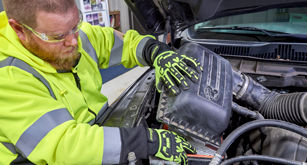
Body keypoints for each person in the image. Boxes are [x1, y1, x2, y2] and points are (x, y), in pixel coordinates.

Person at [0, 0, 202, 164]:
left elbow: (122, 43)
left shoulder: (79, 37)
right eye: (58, 36)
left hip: (96, 129)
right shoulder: (8, 78)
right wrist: (144, 141)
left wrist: (155, 51)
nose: (73, 41)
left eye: (75, 26)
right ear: (19, 30)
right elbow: (65, 146)